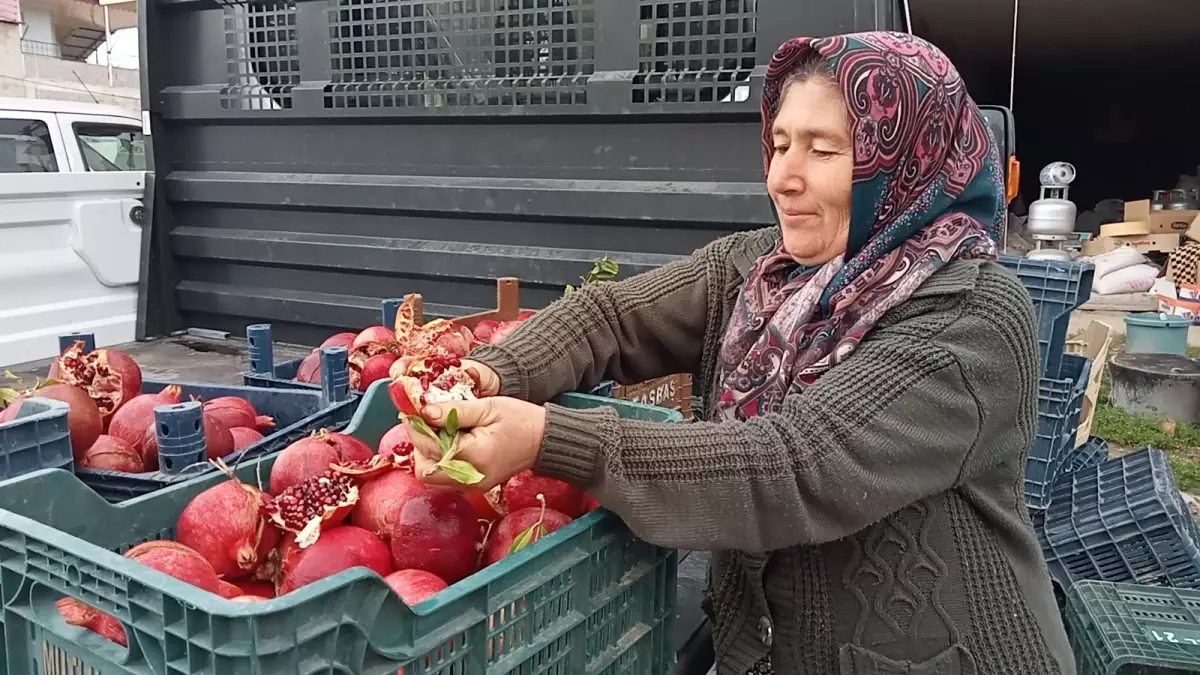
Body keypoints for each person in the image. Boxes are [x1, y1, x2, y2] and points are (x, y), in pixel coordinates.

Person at [404, 31, 1074, 675]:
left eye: (823, 150)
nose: (782, 177)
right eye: (779, 144)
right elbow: (610, 314)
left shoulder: (971, 314)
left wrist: (549, 439)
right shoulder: (761, 271)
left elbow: (795, 466)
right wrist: (491, 372)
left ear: (907, 160)